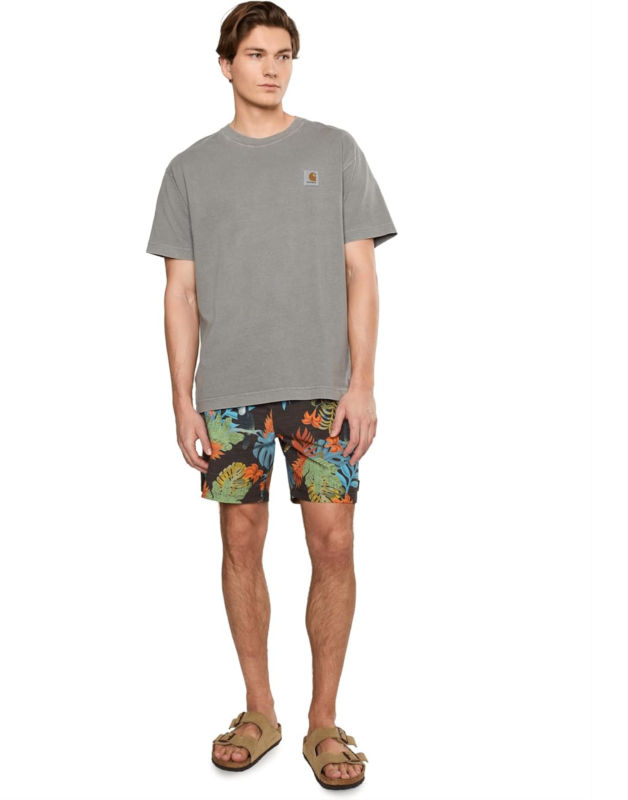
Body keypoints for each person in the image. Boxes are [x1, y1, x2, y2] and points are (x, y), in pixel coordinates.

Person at [146, 1, 396, 790]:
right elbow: (180, 292)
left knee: (334, 544)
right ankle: (260, 712)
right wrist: (182, 400)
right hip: (230, 396)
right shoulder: (189, 169)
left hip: (322, 394)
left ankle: (324, 722)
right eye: (256, 54)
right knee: (240, 543)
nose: (271, 68)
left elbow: (362, 273)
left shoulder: (335, 149)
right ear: (226, 64)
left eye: (283, 54)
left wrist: (362, 384)